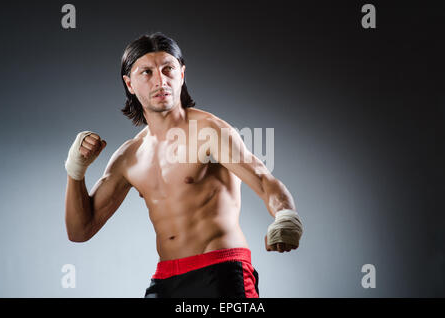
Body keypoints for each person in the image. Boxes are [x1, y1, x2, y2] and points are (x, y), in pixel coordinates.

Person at [64, 32, 303, 298]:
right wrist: (76, 171)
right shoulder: (129, 156)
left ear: (182, 74)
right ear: (129, 83)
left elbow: (262, 179)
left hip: (221, 270)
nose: (161, 80)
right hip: (167, 279)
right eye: (146, 72)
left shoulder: (209, 131)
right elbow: (80, 231)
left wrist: (285, 215)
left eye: (168, 69)